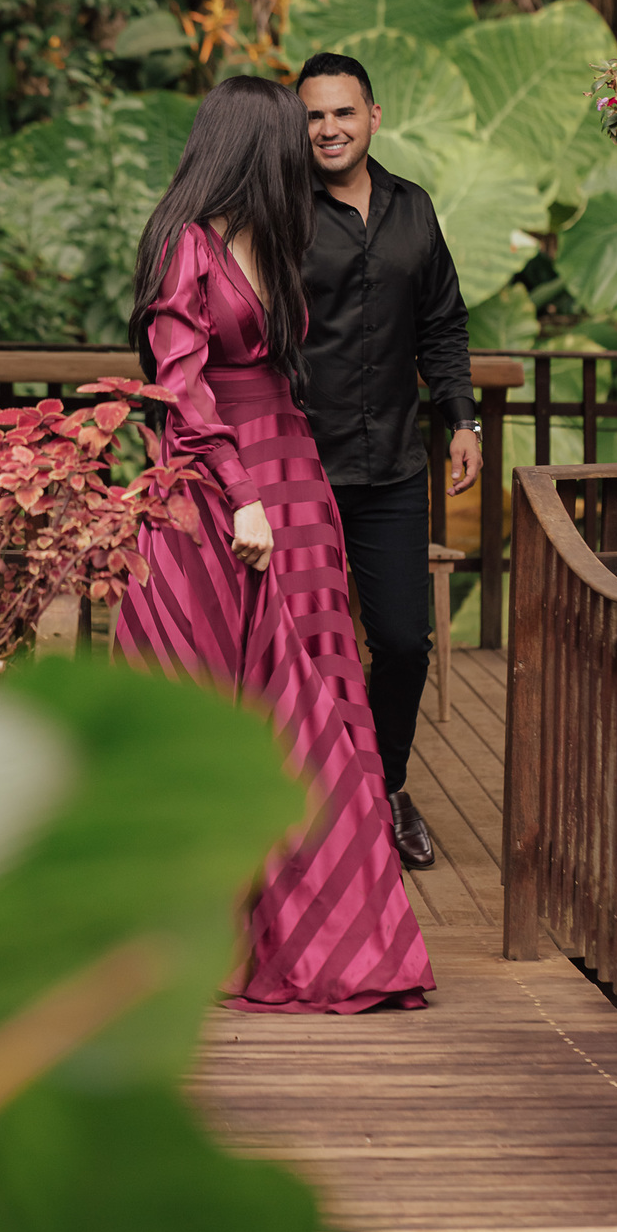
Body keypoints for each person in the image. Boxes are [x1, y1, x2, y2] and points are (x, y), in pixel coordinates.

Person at [116, 76, 434, 1014]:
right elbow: (181, 387)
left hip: (293, 478)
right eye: (293, 136)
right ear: (255, 146)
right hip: (218, 490)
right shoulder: (186, 245)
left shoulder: (274, 237)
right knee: (216, 694)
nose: (310, 148)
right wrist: (242, 495)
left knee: (319, 699)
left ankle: (335, 937)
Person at [296, 52, 483, 873]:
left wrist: (462, 419)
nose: (329, 128)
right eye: (314, 116)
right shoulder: (280, 213)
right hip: (303, 466)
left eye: (343, 112)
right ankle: (306, 810)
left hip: (396, 466)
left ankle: (386, 785)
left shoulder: (414, 209)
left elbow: (443, 323)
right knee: (304, 648)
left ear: (373, 116)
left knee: (404, 643)